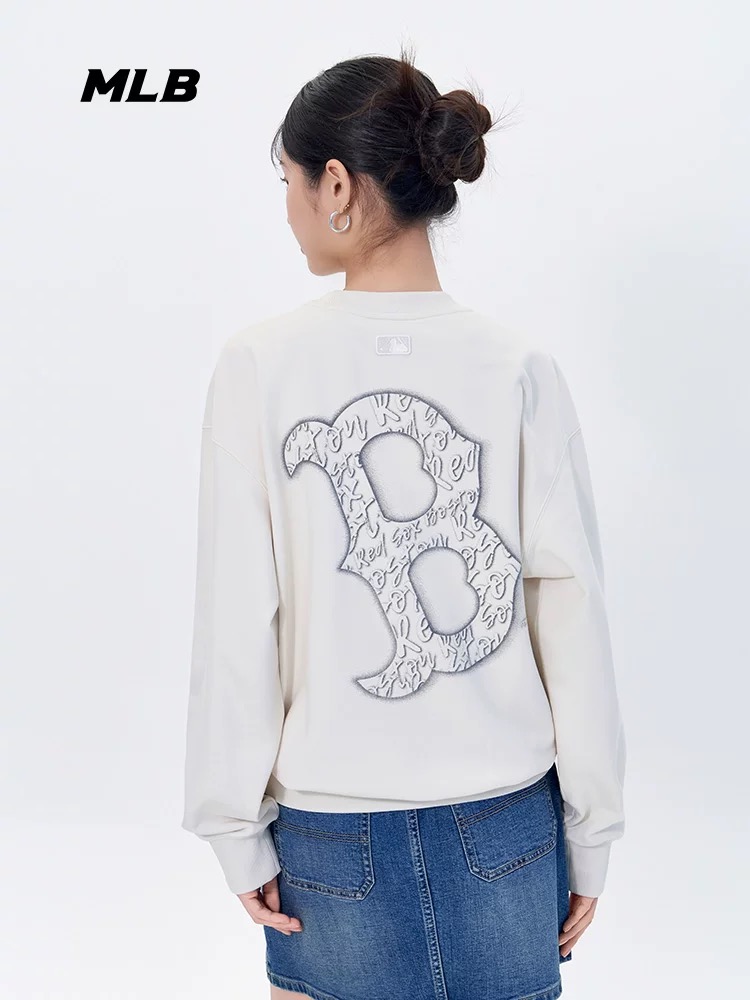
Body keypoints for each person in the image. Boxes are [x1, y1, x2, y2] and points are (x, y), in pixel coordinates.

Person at [180, 45, 626, 1000]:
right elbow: (572, 612)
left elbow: (237, 620)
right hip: (508, 826)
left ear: (336, 185)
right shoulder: (518, 367)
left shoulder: (259, 367)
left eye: (290, 181)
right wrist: (592, 833)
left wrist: (233, 829)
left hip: (331, 832)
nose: (288, 208)